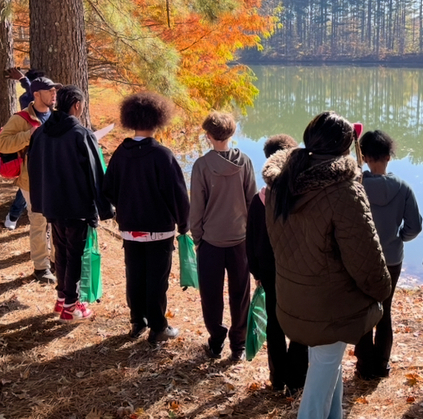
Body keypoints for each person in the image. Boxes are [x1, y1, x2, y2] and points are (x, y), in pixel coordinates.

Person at [263, 112, 391, 419]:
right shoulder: (344, 191)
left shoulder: (281, 184)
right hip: (330, 307)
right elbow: (366, 256)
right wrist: (381, 289)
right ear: (347, 146)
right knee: (319, 385)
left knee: (327, 368)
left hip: (292, 299)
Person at [102, 92, 190, 344]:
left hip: (130, 228)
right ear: (158, 120)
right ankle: (158, 327)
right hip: (159, 230)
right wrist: (184, 223)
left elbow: (108, 189)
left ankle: (136, 321)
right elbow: (178, 195)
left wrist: (125, 207)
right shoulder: (162, 155)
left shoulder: (121, 153)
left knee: (135, 275)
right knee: (157, 279)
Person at [28, 85, 112, 320]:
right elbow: (95, 173)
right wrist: (105, 208)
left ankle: (62, 299)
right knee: (74, 253)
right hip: (76, 206)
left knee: (62, 251)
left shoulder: (41, 133)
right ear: (76, 105)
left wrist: (40, 201)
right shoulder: (81, 134)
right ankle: (72, 306)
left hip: (51, 204)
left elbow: (33, 168)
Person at [354, 130, 423, 380]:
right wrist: (398, 238)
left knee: (362, 309)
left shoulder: (356, 185)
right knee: (385, 309)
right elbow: (415, 226)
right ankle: (381, 364)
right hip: (391, 258)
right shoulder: (403, 187)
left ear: (365, 156)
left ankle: (364, 364)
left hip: (361, 258)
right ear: (389, 156)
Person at [190, 111, 257, 361]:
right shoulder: (246, 162)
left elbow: (196, 206)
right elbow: (253, 202)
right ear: (233, 133)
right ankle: (238, 345)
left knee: (211, 295)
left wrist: (198, 237)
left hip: (211, 242)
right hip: (240, 239)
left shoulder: (202, 166)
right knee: (241, 295)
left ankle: (216, 340)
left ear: (208, 136)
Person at [246, 134, 308, 393]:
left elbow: (251, 239)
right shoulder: (303, 196)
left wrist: (256, 270)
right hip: (299, 272)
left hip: (270, 271)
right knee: (300, 321)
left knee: (274, 321)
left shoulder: (260, 199)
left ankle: (277, 377)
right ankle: (297, 378)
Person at [0, 76, 61, 282]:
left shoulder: (57, 117)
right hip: (32, 181)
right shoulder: (21, 119)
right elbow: (2, 144)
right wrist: (28, 135)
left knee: (57, 222)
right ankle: (41, 267)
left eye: (55, 91)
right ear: (36, 94)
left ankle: (57, 261)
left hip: (56, 179)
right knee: (39, 222)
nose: (54, 94)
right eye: (50, 91)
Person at [4, 68, 45, 230]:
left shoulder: (47, 102)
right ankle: (13, 216)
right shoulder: (27, 99)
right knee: (28, 185)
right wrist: (22, 79)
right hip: (32, 150)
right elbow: (33, 93)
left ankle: (15, 216)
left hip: (44, 150)